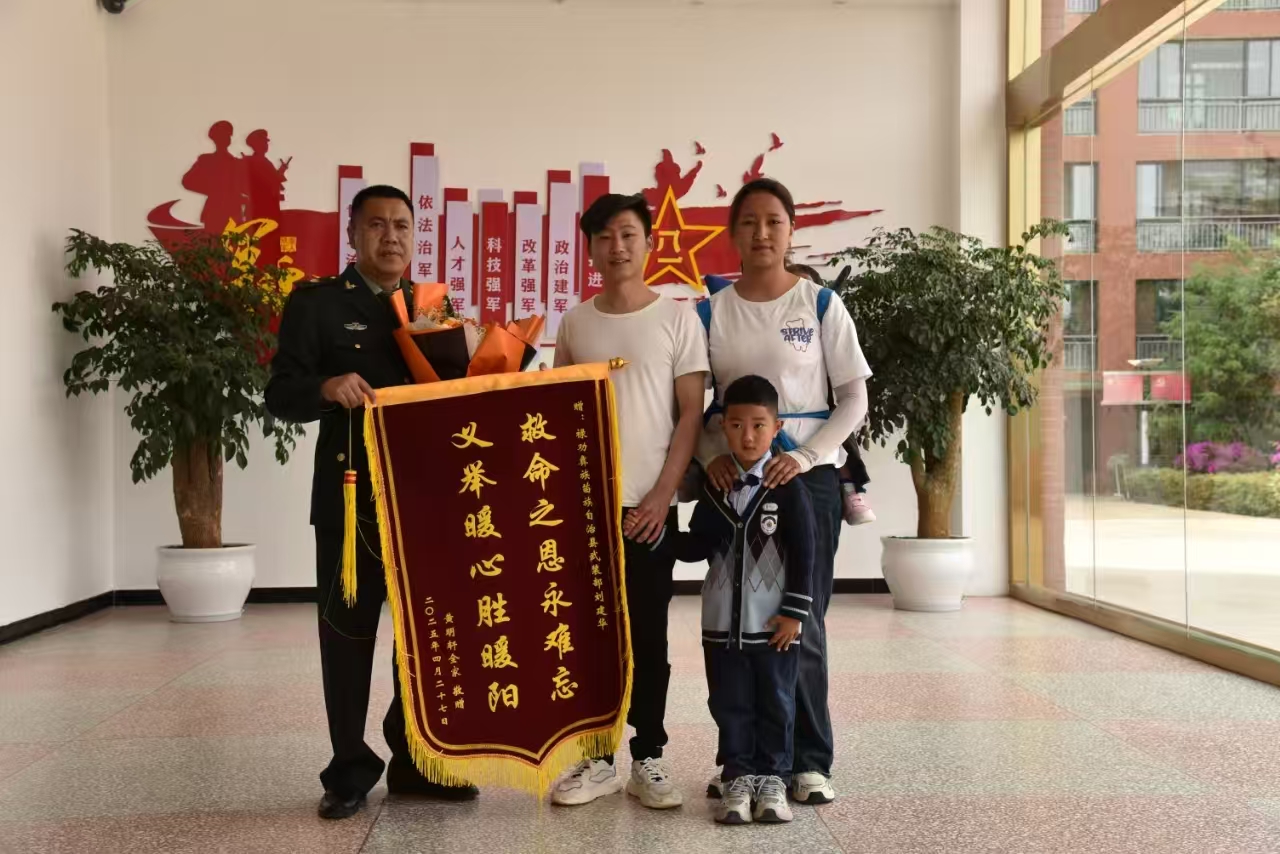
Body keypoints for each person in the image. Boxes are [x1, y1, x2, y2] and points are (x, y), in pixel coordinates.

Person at [266, 185, 479, 820]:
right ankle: (348, 769)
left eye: (403, 226)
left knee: (424, 637)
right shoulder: (317, 304)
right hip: (351, 498)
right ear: (353, 235)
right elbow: (279, 393)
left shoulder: (434, 306)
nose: (391, 237)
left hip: (423, 501)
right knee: (347, 635)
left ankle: (414, 759)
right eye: (378, 225)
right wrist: (325, 386)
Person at [697, 178, 871, 805]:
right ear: (732, 233)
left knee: (802, 618)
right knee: (740, 622)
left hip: (807, 480)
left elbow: (854, 398)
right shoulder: (710, 312)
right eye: (749, 222)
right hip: (734, 481)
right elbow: (690, 406)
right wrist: (712, 459)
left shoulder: (819, 304)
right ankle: (742, 760)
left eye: (774, 221)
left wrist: (805, 457)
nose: (762, 233)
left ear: (792, 230)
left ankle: (809, 759)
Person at [549, 193, 709, 809]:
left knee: (647, 636)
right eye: (604, 237)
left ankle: (648, 756)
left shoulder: (678, 319)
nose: (616, 247)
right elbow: (557, 414)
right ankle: (596, 759)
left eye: (627, 234)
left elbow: (690, 415)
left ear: (648, 243)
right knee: (589, 636)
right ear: (590, 249)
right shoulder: (575, 323)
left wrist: (662, 498)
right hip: (584, 511)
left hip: (649, 508)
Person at [648, 374, 815, 825]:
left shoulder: (789, 488)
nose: (748, 436)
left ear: (776, 428)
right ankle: (738, 776)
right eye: (737, 425)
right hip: (722, 626)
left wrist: (794, 614)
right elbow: (696, 547)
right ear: (723, 427)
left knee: (776, 701)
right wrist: (656, 533)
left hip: (774, 627)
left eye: (759, 425)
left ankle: (773, 778)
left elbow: (806, 554)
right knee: (729, 703)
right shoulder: (715, 488)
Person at [785, 261, 876, 527]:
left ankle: (851, 489)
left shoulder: (826, 314)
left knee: (841, 438)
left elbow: (852, 391)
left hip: (826, 407)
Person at [181, 120, 246, 234]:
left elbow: (243, 187)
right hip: (215, 211)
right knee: (214, 242)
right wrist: (214, 191)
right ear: (215, 139)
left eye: (228, 136)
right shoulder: (206, 160)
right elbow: (187, 181)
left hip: (234, 212)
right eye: (223, 136)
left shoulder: (236, 163)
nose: (226, 139)